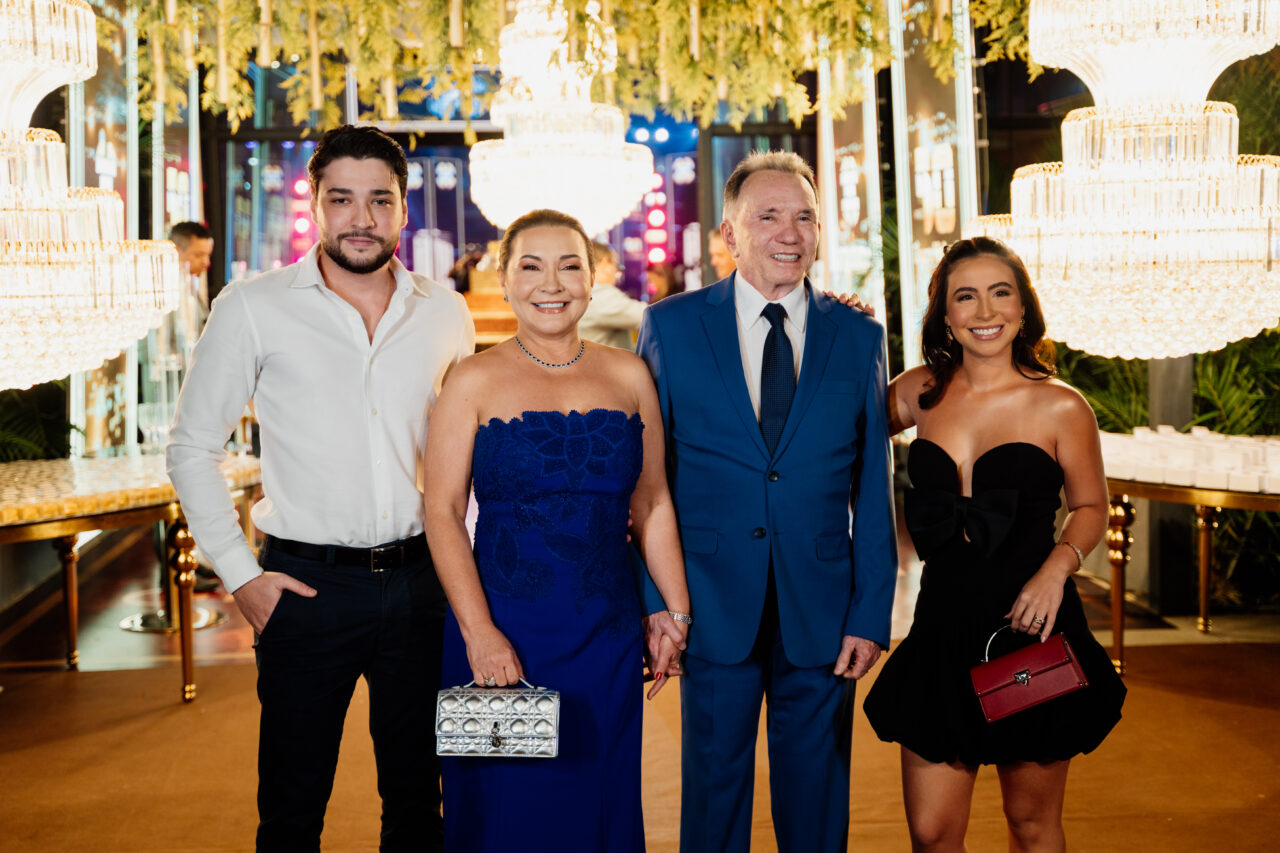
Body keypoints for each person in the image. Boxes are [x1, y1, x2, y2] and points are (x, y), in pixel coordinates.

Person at [167, 124, 475, 852]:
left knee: (419, 801)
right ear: (314, 203)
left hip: (422, 583)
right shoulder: (253, 305)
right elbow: (191, 447)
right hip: (305, 588)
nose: (361, 218)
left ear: (403, 210)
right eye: (342, 199)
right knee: (292, 807)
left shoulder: (445, 311)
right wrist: (241, 576)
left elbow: (463, 455)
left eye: (380, 200)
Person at [635, 151, 897, 853]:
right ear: (730, 232)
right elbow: (647, 482)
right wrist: (656, 602)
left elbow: (874, 488)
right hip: (708, 602)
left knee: (816, 801)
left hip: (824, 608)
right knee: (713, 797)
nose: (790, 232)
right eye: (769, 216)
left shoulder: (860, 336)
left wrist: (871, 612)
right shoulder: (670, 327)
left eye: (805, 216)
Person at [423, 208, 691, 852]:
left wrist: (674, 612)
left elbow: (653, 500)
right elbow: (442, 512)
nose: (552, 283)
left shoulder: (629, 374)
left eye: (570, 266)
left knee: (599, 801)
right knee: (504, 813)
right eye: (531, 266)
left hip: (606, 634)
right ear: (505, 281)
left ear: (593, 280)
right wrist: (479, 633)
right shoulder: (472, 379)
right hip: (501, 630)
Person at [861, 237, 1126, 852]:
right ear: (945, 314)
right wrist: (839, 325)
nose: (985, 310)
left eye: (1000, 292)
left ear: (1023, 307)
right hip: (940, 627)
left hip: (1027, 625)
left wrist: (1055, 572)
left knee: (1030, 825)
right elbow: (831, 426)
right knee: (930, 833)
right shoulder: (921, 391)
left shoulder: (1061, 405)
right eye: (966, 296)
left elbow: (1092, 507)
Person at [577, 241, 647, 349]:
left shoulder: (578, 292)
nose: (616, 273)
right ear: (605, 263)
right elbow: (648, 316)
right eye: (616, 266)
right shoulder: (601, 294)